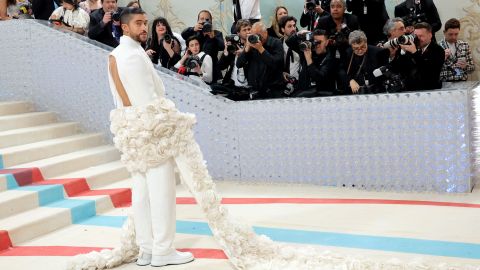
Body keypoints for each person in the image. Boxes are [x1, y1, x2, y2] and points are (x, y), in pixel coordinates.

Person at [107, 7, 195, 267]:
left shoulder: (118, 53)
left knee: (142, 193)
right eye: (138, 23)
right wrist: (166, 123)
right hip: (150, 133)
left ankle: (146, 250)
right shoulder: (131, 56)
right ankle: (163, 250)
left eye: (145, 23)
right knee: (161, 192)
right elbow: (148, 100)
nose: (144, 28)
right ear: (124, 27)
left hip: (133, 132)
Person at [236, 21, 284, 99]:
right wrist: (246, 50)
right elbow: (239, 64)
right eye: (254, 34)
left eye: (258, 34)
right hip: (255, 90)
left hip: (273, 91)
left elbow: (276, 64)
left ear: (265, 33)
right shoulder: (251, 44)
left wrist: (261, 49)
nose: (256, 37)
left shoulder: (276, 43)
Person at [212, 19, 252, 100]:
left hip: (248, 86)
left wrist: (244, 52)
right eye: (244, 30)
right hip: (233, 85)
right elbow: (221, 67)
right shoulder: (233, 47)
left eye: (249, 29)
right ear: (238, 33)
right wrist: (226, 53)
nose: (248, 32)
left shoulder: (255, 45)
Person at [181, 10, 224, 83]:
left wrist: (213, 37)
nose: (204, 21)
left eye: (207, 19)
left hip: (210, 71)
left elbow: (222, 47)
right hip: (193, 68)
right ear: (198, 21)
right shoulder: (194, 32)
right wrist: (193, 29)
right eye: (202, 19)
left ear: (211, 21)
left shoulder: (216, 33)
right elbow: (183, 35)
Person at [399, 22, 445, 90]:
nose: (417, 39)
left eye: (421, 36)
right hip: (411, 90)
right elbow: (403, 68)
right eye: (416, 36)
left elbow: (429, 72)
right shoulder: (412, 47)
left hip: (430, 90)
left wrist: (414, 53)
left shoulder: (438, 50)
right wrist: (402, 52)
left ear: (430, 35)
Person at [343, 30, 389, 94]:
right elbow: (341, 70)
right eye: (356, 48)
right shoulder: (347, 53)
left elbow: (387, 70)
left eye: (363, 47)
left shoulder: (378, 52)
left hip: (376, 91)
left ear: (366, 41)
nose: (360, 50)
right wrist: (350, 80)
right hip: (354, 92)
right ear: (351, 46)